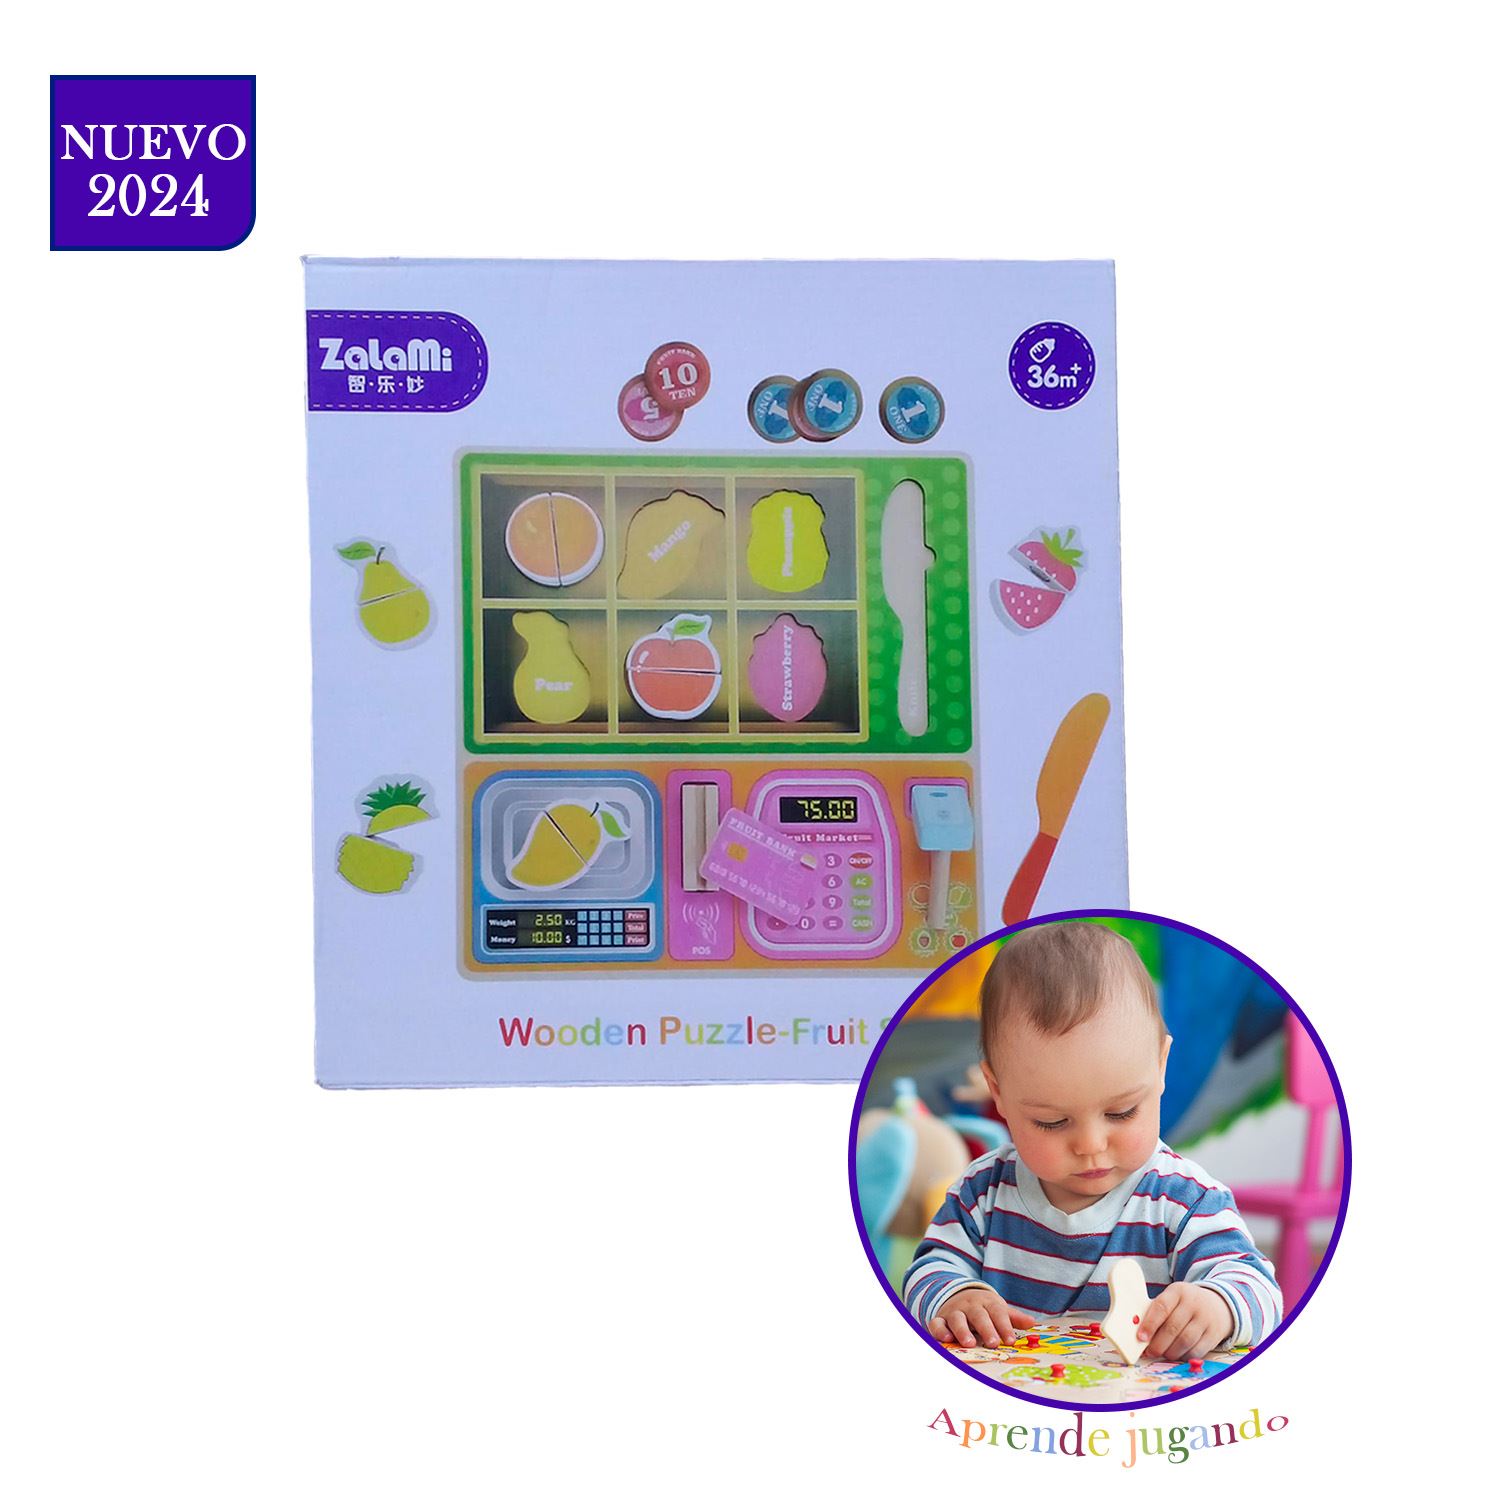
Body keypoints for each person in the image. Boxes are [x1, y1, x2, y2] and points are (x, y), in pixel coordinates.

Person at [903, 922, 1281, 1361]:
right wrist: (955, 1297)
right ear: (998, 1090)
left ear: (1160, 1066)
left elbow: (1259, 1289)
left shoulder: (1185, 1199)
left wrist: (1218, 1306)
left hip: (1141, 1397)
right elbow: (927, 1271)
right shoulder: (982, 1191)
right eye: (1052, 1121)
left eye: (1121, 1113)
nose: (1090, 1145)